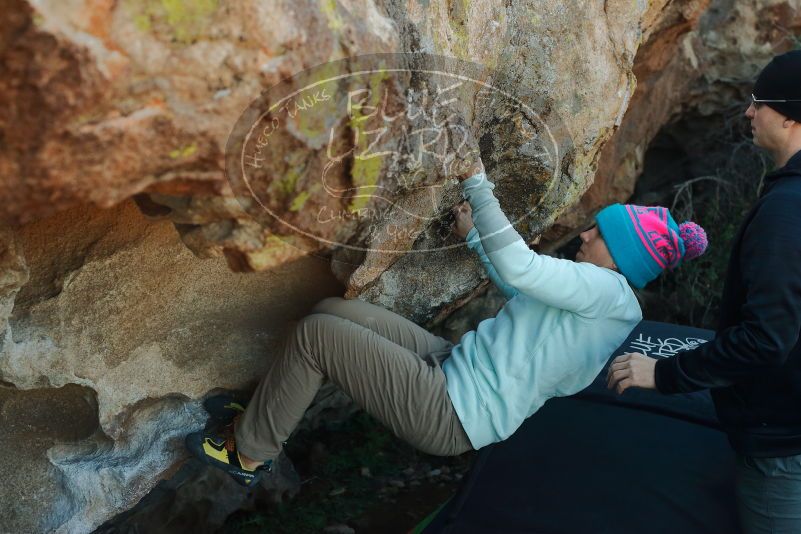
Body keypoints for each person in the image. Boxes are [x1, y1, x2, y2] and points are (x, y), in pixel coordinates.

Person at [186, 156, 707, 487]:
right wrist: (477, 238)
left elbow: (521, 266)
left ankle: (248, 454)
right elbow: (520, 290)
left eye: (599, 234)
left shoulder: (601, 289)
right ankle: (264, 413)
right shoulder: (606, 307)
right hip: (453, 370)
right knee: (330, 313)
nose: (586, 236)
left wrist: (478, 185)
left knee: (316, 336)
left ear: (619, 256)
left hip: (451, 410)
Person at [606, 50, 801, 533]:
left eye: (760, 102)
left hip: (781, 446)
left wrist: (667, 373)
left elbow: (767, 339)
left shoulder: (786, 211)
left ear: (793, 116)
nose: (749, 112)